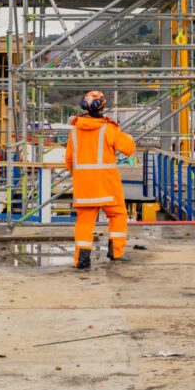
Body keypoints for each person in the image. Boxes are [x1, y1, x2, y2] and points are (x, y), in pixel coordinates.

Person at [65, 90, 136, 270]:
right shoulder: (109, 128)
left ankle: (81, 260)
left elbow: (69, 161)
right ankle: (116, 252)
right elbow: (128, 149)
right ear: (102, 106)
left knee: (84, 223)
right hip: (107, 185)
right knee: (118, 215)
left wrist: (81, 177)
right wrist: (123, 133)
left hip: (84, 186)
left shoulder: (75, 130)